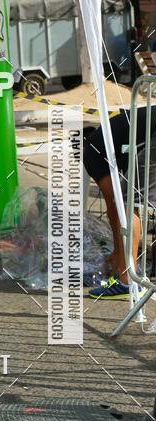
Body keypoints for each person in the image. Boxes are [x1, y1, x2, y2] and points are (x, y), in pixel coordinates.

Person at [84, 107, 156, 298]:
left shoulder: (92, 154)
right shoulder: (108, 137)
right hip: (150, 126)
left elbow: (115, 208)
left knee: (126, 204)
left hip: (152, 132)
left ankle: (126, 281)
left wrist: (118, 255)